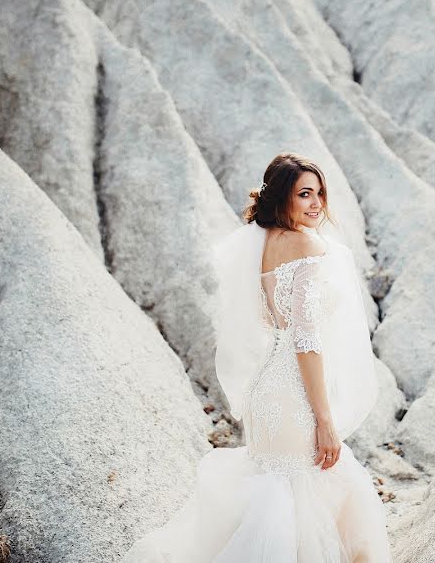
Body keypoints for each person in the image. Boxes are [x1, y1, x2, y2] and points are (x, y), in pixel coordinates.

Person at [121, 152, 392, 561]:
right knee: (305, 489)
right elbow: (306, 340)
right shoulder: (306, 243)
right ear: (282, 198)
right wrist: (324, 419)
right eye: (305, 194)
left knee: (279, 488)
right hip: (294, 392)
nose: (317, 203)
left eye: (320, 193)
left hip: (267, 388)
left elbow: (276, 324)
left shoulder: (263, 242)